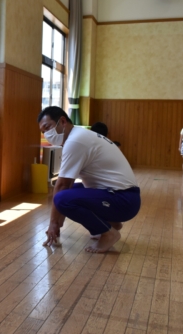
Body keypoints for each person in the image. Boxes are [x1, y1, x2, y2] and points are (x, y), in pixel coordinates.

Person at [38, 106, 141, 253]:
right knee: (69, 193)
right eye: (43, 132)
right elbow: (68, 184)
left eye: (47, 128)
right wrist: (58, 222)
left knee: (62, 198)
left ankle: (109, 233)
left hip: (124, 201)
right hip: (123, 197)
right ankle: (111, 223)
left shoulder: (75, 141)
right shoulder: (79, 136)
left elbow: (62, 186)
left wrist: (53, 223)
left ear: (62, 121)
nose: (46, 134)